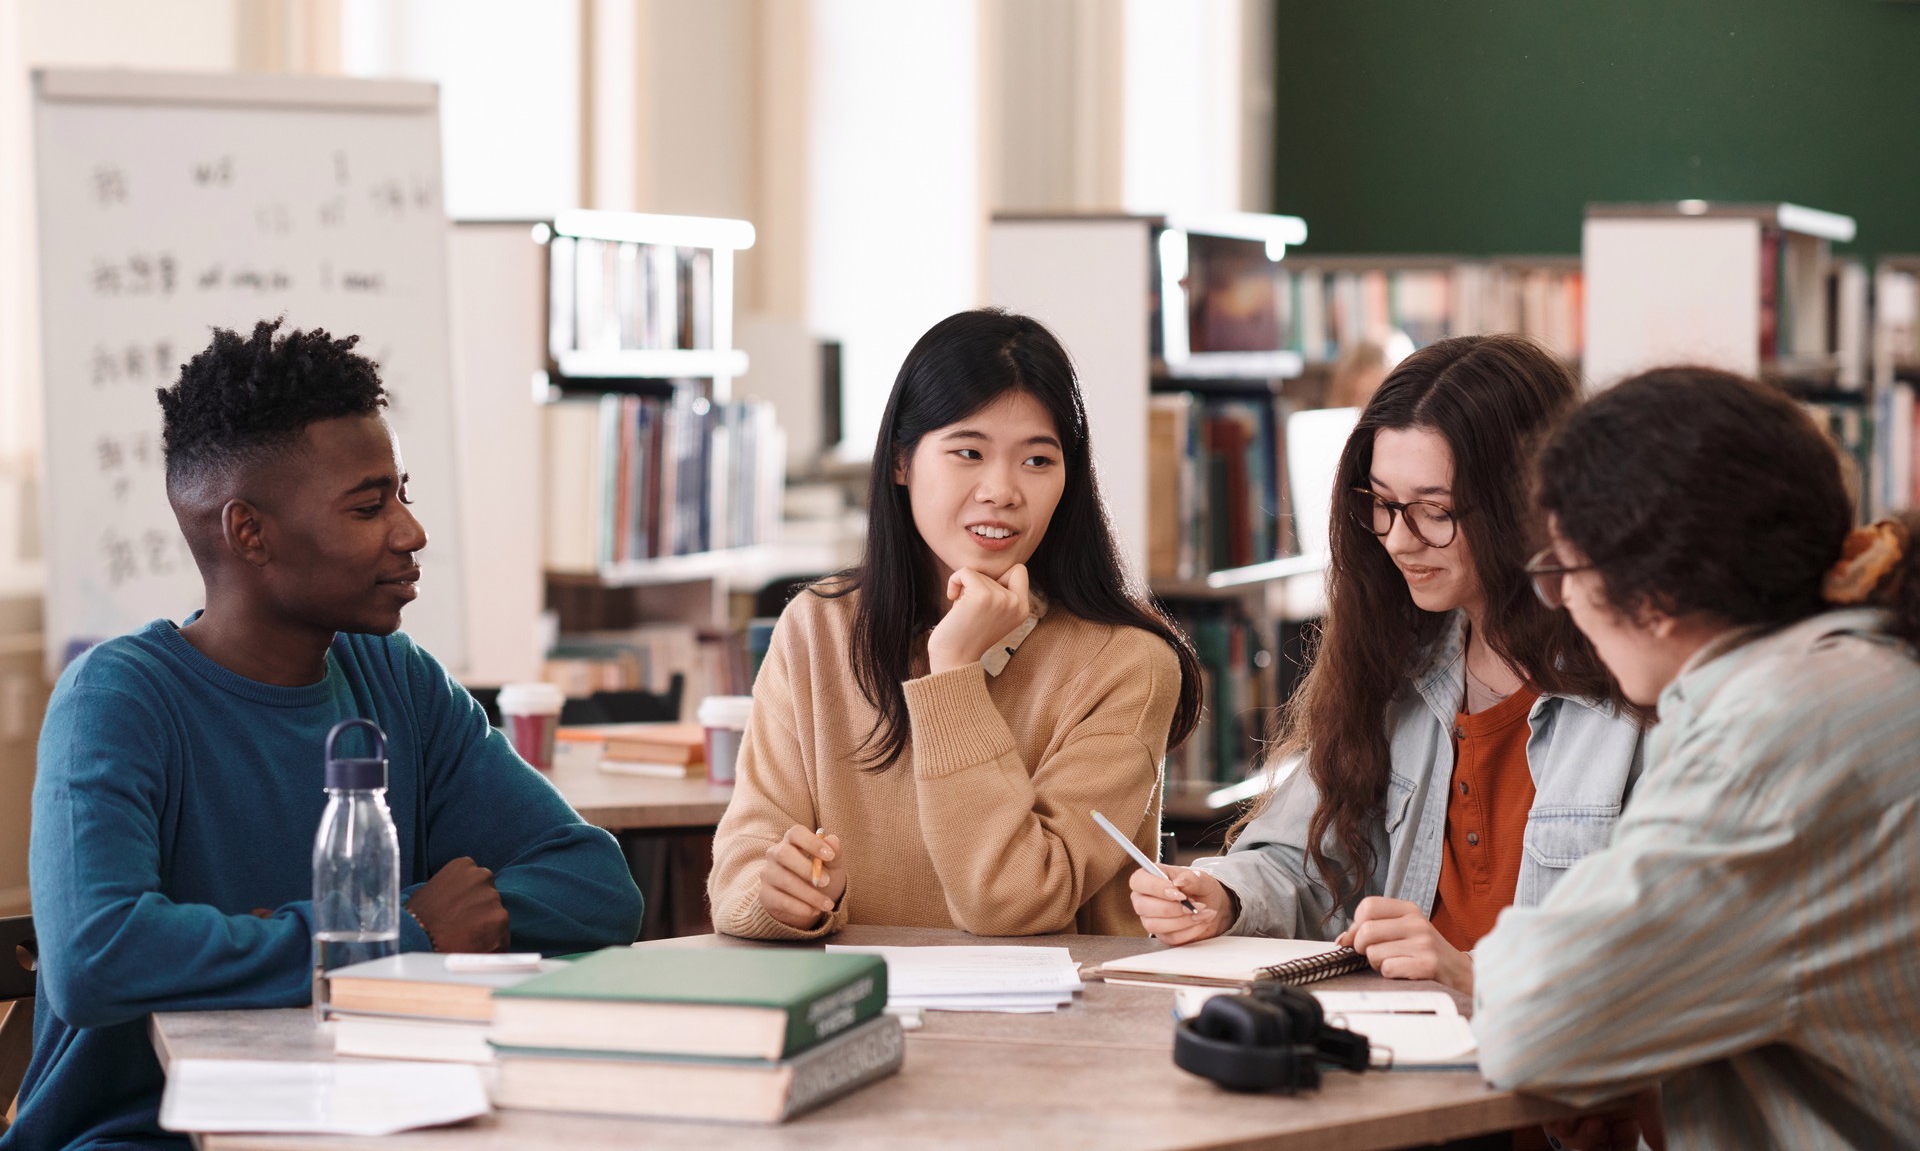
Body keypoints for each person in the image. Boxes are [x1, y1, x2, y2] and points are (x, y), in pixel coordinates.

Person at [5, 321, 643, 1151]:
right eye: (370, 505)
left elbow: (596, 886)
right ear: (249, 533)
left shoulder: (398, 679)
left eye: (402, 494)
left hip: (372, 1118)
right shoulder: (120, 699)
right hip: (141, 1138)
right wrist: (396, 936)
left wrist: (402, 930)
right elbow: (99, 959)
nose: (410, 532)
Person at [1474, 366, 1920, 1149]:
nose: (1566, 604)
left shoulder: (1774, 736)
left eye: (1563, 571)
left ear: (1652, 592)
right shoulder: (1866, 676)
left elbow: (1532, 1020)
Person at [1130, 335, 1644, 999]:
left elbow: (1665, 958)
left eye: (1435, 510)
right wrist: (1221, 894)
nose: (1400, 539)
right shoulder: (1397, 658)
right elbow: (1302, 859)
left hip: (1555, 1077)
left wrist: (1473, 975)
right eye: (1382, 503)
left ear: (1527, 504)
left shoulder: (1638, 688)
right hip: (1405, 1055)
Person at [707, 309, 1202, 939]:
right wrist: (781, 898)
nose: (1001, 490)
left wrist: (954, 675)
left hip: (1060, 1026)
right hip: (861, 1005)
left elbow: (1013, 901)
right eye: (969, 451)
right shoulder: (818, 629)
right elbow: (740, 875)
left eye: (1037, 461)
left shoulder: (1126, 663)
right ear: (901, 463)